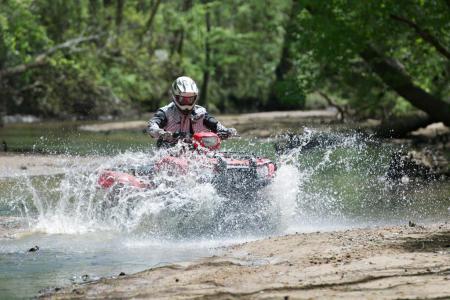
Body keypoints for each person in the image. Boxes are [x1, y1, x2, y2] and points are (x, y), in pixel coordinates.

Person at [148, 76, 237, 147]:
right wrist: (161, 133)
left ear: (195, 97)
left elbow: (215, 124)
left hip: (198, 152)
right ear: (175, 96)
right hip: (169, 152)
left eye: (190, 99)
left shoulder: (201, 112)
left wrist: (226, 131)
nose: (187, 103)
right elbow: (152, 125)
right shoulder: (165, 112)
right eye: (183, 99)